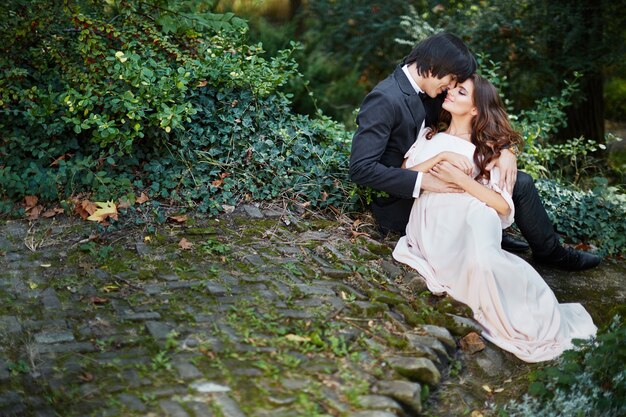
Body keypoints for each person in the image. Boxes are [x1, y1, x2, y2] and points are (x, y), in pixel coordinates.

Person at [349, 33, 601, 271]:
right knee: (505, 186)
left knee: (513, 180)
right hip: (404, 202)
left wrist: (506, 150)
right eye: (452, 80)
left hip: (444, 183)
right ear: (436, 67)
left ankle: (539, 248)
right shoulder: (385, 98)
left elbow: (479, 114)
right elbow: (361, 169)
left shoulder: (433, 91)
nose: (451, 87)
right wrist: (424, 181)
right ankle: (518, 243)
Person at [392, 74, 596, 362]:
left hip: (474, 214)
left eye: (461, 92)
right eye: (452, 89)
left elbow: (501, 206)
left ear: (475, 109)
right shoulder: (429, 134)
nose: (450, 93)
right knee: (469, 268)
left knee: (486, 265)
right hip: (432, 223)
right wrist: (442, 157)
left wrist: (461, 180)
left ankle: (531, 312)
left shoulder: (487, 150)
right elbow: (402, 173)